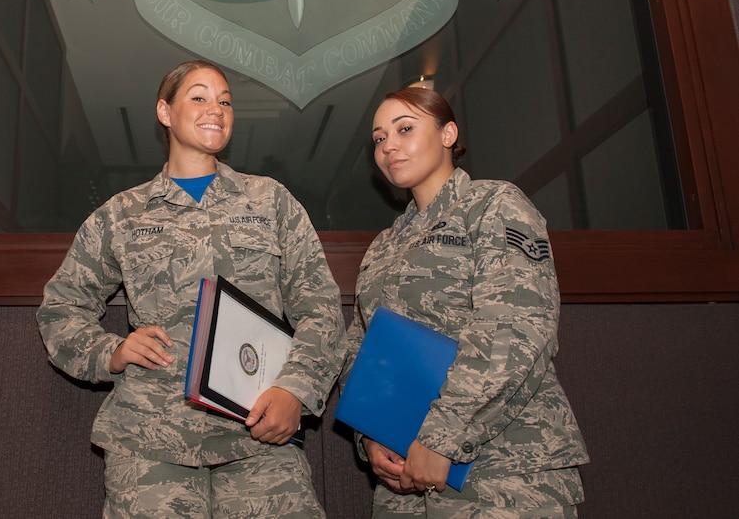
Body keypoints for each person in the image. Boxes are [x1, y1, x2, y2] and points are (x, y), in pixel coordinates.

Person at [37, 60, 346, 518]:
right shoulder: (123, 215)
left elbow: (321, 307)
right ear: (165, 112)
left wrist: (296, 391)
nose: (215, 109)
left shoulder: (269, 201)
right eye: (199, 97)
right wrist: (111, 351)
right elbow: (61, 308)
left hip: (258, 433)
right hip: (151, 437)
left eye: (225, 101)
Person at [342, 87, 589, 518]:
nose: (389, 146)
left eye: (404, 129)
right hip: (403, 486)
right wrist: (370, 436)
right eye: (379, 138)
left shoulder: (494, 205)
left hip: (505, 473)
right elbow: (360, 349)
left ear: (448, 134)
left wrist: (440, 438)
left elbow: (515, 328)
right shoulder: (382, 247)